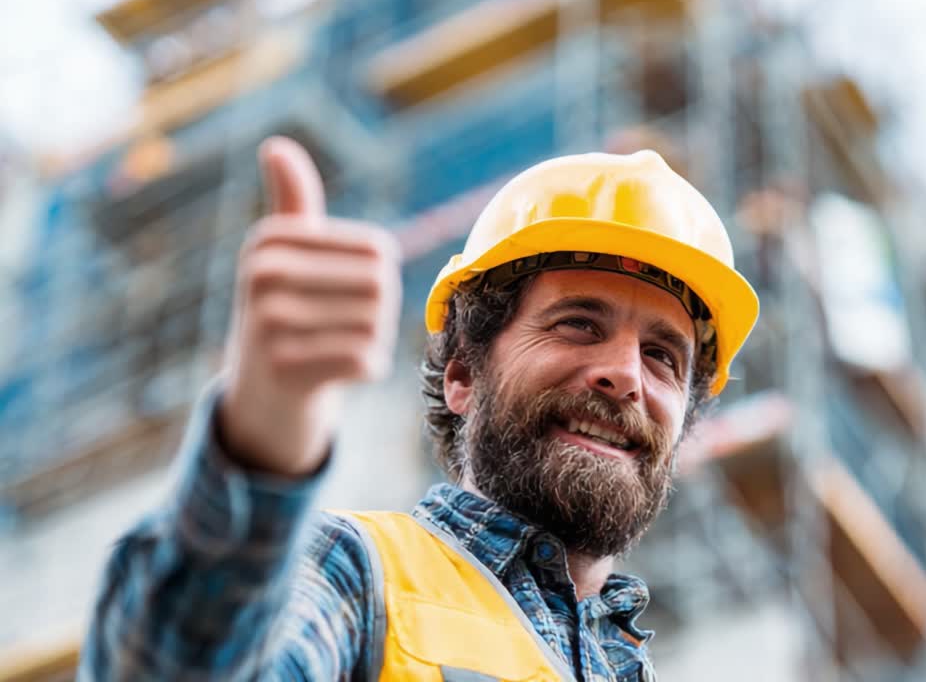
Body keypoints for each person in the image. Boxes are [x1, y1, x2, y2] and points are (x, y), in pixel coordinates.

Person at [81, 136, 759, 681]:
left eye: (662, 357)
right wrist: (263, 441)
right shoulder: (354, 576)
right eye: (578, 324)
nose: (625, 375)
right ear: (462, 375)